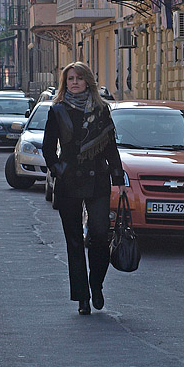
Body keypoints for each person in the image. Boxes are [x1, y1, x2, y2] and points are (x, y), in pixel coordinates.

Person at [42, 61, 126, 315]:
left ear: (87, 81)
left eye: (79, 78)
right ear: (64, 83)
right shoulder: (57, 110)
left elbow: (110, 147)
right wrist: (58, 170)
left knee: (99, 235)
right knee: (74, 241)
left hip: (97, 179)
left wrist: (119, 179)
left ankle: (96, 285)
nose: (75, 82)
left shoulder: (101, 110)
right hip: (69, 181)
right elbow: (48, 148)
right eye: (70, 79)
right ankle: (82, 297)